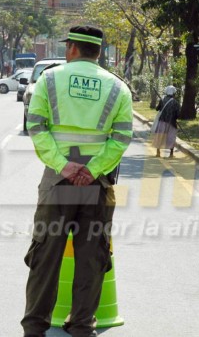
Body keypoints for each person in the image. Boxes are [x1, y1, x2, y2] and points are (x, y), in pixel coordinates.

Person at [21, 25, 133, 337]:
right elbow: (122, 137)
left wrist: (62, 166)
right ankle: (82, 326)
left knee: (46, 256)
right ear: (99, 52)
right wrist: (93, 169)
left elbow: (36, 125)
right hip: (96, 187)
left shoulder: (50, 79)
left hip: (58, 184)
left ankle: (34, 327)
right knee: (91, 257)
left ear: (72, 48)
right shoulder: (118, 88)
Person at [151, 85, 181, 158]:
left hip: (162, 121)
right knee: (171, 137)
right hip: (171, 123)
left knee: (160, 136)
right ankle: (171, 154)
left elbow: (157, 109)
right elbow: (178, 114)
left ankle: (158, 152)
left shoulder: (162, 100)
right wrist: (175, 117)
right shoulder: (175, 102)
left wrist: (161, 104)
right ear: (173, 93)